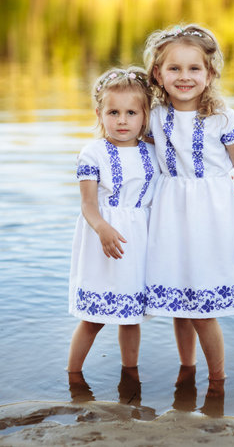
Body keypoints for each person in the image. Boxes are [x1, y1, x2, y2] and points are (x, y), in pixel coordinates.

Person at [143, 24, 234, 380]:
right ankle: (187, 369)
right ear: (158, 74)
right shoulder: (153, 116)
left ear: (210, 73)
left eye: (194, 68)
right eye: (174, 68)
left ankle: (217, 380)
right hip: (169, 214)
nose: (184, 76)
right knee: (180, 301)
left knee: (201, 307)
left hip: (212, 215)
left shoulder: (221, 118)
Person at [68, 66, 160, 373]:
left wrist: (229, 182)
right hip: (102, 240)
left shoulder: (152, 152)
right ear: (99, 113)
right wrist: (103, 228)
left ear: (145, 116)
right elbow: (88, 205)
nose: (122, 120)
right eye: (114, 112)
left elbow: (182, 174)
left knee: (131, 316)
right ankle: (73, 375)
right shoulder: (92, 153)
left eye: (131, 112)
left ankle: (129, 372)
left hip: (138, 242)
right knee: (93, 318)